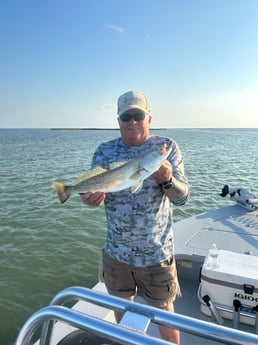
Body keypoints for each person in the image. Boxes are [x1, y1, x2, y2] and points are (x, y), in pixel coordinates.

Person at [81, 90, 190, 344]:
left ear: (149, 118)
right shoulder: (104, 151)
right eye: (125, 117)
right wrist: (88, 199)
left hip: (156, 254)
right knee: (123, 314)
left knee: (165, 316)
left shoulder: (167, 147)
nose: (131, 122)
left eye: (137, 115)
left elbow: (183, 197)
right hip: (116, 254)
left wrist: (167, 180)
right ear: (118, 121)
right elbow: (92, 190)